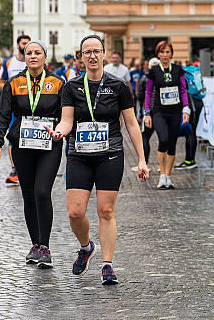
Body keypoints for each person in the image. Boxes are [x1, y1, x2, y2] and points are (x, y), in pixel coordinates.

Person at [47, 35, 149, 285]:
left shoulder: (119, 86)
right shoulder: (71, 87)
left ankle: (107, 265)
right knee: (74, 212)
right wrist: (60, 131)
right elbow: (67, 119)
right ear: (80, 58)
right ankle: (85, 247)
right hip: (80, 156)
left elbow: (132, 124)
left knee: (106, 210)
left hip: (110, 154)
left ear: (104, 54)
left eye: (96, 51)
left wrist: (143, 159)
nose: (92, 56)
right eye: (87, 52)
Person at [0, 40, 64, 268]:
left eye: (37, 53)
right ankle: (35, 245)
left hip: (48, 146)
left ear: (45, 57)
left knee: (42, 192)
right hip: (22, 145)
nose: (32, 56)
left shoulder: (58, 83)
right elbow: (3, 115)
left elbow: (66, 115)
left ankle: (45, 246)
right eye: (28, 52)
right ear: (24, 56)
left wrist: (61, 132)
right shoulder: (14, 83)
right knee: (28, 195)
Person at [143, 41, 190, 189]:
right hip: (159, 111)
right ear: (158, 54)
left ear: (171, 54)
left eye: (167, 52)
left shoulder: (178, 70)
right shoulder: (154, 71)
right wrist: (147, 113)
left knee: (172, 143)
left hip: (175, 111)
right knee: (162, 139)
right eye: (162, 52)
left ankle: (168, 177)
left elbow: (183, 89)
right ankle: (162, 175)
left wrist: (186, 109)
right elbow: (148, 92)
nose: (165, 55)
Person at [0, 34, 31, 184]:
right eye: (24, 43)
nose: (26, 46)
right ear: (18, 45)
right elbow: (0, 83)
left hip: (31, 106)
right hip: (14, 106)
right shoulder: (9, 62)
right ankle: (14, 168)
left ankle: (28, 165)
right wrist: (10, 91)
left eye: (28, 44)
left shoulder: (34, 61)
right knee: (13, 136)